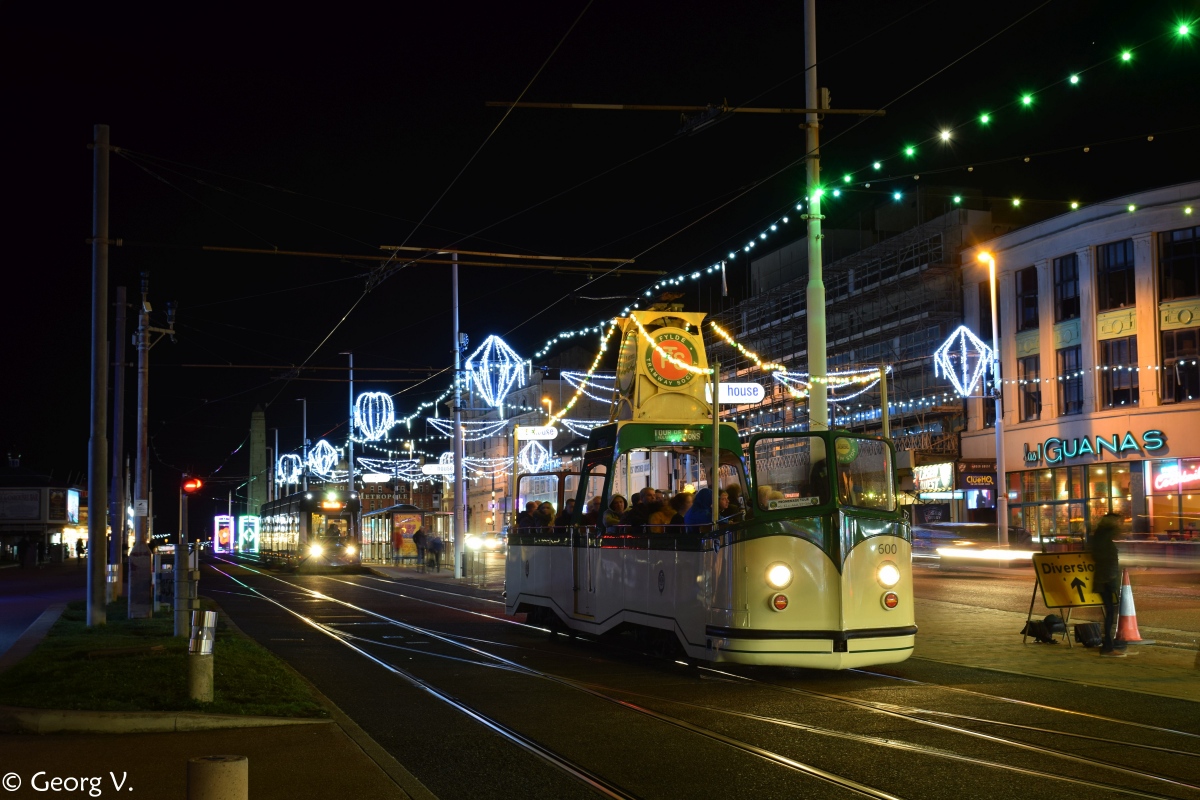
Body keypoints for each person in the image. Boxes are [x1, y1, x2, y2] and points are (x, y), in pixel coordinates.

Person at [1091, 513, 1125, 657]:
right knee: (1111, 612)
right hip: (1107, 578)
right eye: (1116, 521)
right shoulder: (1105, 536)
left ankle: (1108, 644)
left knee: (1110, 612)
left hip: (1102, 578)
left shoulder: (1098, 536)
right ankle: (1107, 647)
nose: (1119, 524)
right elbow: (1107, 558)